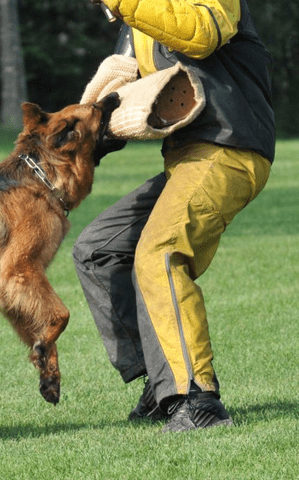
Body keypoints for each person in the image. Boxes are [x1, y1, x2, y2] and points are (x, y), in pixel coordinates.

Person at [73, 0, 275, 431]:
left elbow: (199, 34)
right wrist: (69, 138)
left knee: (160, 250)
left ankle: (199, 401)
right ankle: (164, 379)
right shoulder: (136, 19)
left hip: (230, 149)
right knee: (99, 249)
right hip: (185, 160)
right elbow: (118, 77)